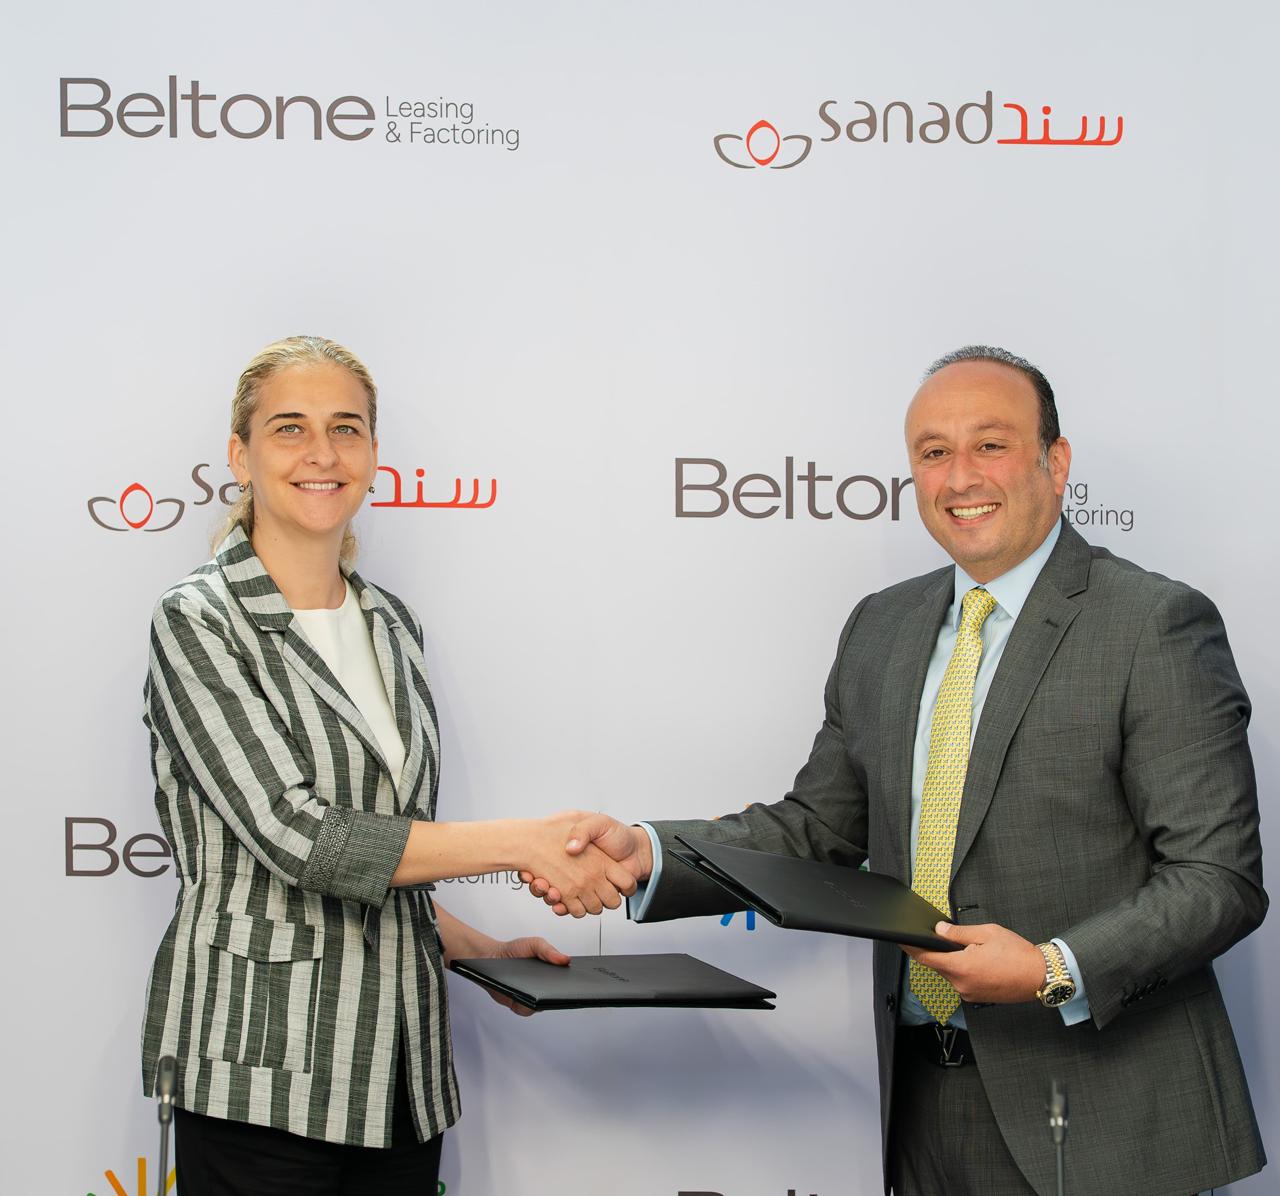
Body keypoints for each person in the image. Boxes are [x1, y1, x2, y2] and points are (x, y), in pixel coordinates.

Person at [526, 346, 1267, 1195]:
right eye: (933, 452)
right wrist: (649, 853)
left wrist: (1051, 967)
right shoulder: (882, 626)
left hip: (1108, 1115)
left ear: (1055, 463)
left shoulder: (1152, 623)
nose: (961, 477)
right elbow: (817, 828)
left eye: (990, 445)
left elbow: (1218, 878)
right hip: (923, 1102)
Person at [141, 335, 640, 1195]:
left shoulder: (391, 624)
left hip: (398, 1077)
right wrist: (526, 841)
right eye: (290, 428)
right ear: (241, 456)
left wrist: (483, 950)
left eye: (347, 429)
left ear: (373, 455)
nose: (322, 453)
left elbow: (382, 851)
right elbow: (301, 837)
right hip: (260, 1075)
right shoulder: (198, 619)